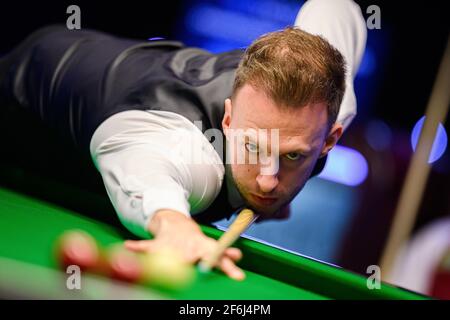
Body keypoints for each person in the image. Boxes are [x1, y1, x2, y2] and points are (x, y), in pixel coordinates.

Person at [0, 0, 367, 280]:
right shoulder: (192, 156)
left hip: (126, 71)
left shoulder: (330, 100)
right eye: (252, 146)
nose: (267, 180)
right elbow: (149, 171)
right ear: (227, 119)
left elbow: (335, 9)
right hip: (22, 103)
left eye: (292, 156)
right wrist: (173, 224)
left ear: (330, 139)